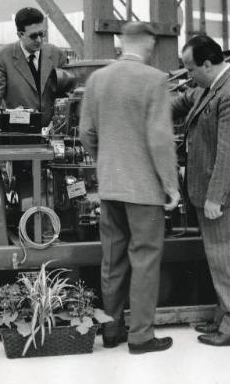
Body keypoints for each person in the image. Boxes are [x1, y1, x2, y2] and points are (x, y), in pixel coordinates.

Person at [79, 22, 180, 354]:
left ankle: (111, 330)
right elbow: (161, 139)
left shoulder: (98, 79)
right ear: (149, 43)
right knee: (145, 259)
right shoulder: (155, 80)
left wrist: (106, 162)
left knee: (112, 258)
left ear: (121, 42)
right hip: (145, 191)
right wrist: (171, 185)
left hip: (110, 186)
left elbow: (86, 134)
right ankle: (141, 336)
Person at [172, 35, 230, 347]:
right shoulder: (211, 86)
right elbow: (184, 101)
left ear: (208, 64)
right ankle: (225, 319)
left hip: (228, 196)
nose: (187, 74)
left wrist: (215, 197)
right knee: (221, 260)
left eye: (189, 68)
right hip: (215, 191)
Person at [0, 7, 70, 127]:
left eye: (41, 34)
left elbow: (67, 95)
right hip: (18, 135)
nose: (39, 40)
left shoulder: (57, 54)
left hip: (52, 131)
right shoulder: (2, 58)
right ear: (20, 34)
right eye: (33, 36)